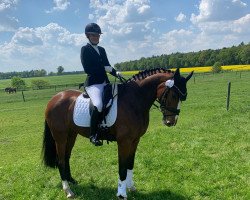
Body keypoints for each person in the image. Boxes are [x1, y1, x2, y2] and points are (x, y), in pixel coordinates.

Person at [80, 23, 122, 146]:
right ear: (88, 36)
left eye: (98, 35)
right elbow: (87, 68)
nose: (96, 37)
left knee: (115, 100)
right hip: (93, 84)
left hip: (105, 82)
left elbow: (108, 65)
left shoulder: (102, 50)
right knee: (98, 105)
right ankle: (93, 134)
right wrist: (104, 68)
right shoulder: (85, 49)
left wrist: (116, 73)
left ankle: (107, 126)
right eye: (93, 35)